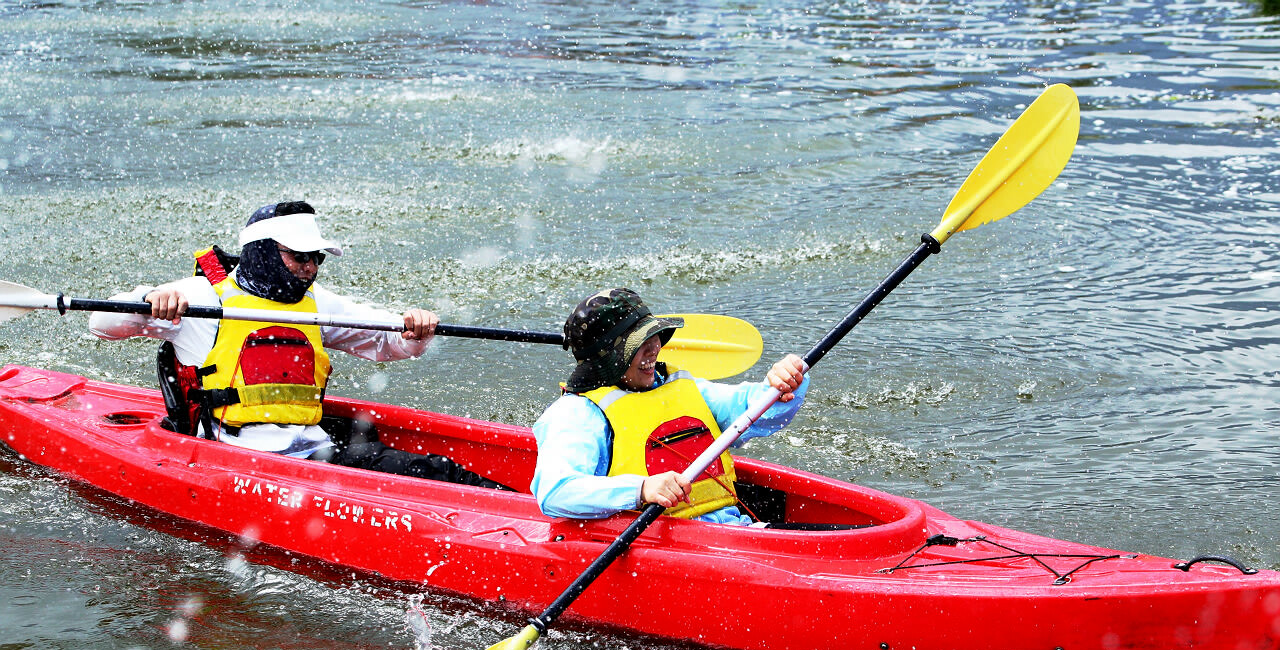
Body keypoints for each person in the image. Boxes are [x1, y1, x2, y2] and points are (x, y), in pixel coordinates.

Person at [89, 200, 506, 490]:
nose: (309, 268)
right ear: (264, 253)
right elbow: (101, 324)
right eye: (299, 257)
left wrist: (415, 330)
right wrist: (146, 301)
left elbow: (384, 342)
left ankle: (526, 509)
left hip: (311, 449)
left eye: (317, 259)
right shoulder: (201, 297)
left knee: (433, 468)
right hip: (235, 459)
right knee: (432, 470)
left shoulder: (316, 303)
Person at [531, 287, 808, 524]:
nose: (654, 348)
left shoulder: (681, 386)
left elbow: (765, 412)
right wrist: (641, 489)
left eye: (654, 336)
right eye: (639, 343)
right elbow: (555, 492)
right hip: (662, 548)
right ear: (609, 360)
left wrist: (788, 378)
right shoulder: (577, 414)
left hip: (735, 532)